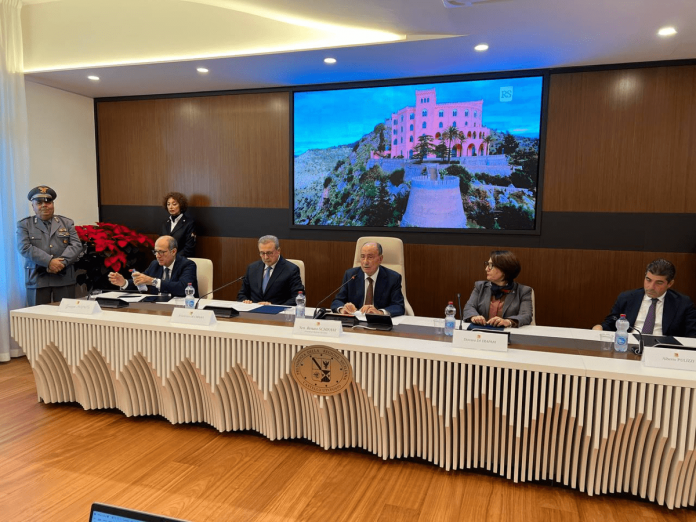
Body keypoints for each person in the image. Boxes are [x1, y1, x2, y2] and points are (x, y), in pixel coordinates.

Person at [593, 259, 696, 337]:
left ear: (670, 284)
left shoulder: (683, 303)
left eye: (659, 283)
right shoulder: (626, 298)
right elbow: (611, 323)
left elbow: (692, 335)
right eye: (648, 280)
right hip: (628, 345)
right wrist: (599, 327)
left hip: (663, 349)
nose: (651, 287)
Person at [16, 186, 83, 306]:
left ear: (53, 204)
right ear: (33, 206)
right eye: (39, 203)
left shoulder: (66, 223)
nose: (44, 205)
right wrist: (49, 262)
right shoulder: (25, 224)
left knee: (66, 314)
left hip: (64, 276)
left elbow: (76, 245)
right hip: (37, 278)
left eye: (48, 202)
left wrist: (61, 263)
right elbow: (24, 247)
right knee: (37, 315)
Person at [107, 236, 198, 297]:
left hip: (181, 308)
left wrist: (153, 281)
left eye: (161, 252)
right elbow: (141, 281)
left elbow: (183, 288)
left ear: (173, 251)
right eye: (155, 252)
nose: (157, 256)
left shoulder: (187, 265)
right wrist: (124, 283)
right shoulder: (155, 264)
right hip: (157, 307)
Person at [331, 241, 405, 317]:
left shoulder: (393, 278)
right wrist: (342, 309)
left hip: (378, 321)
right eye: (362, 257)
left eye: (370, 257)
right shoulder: (351, 275)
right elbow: (337, 301)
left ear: (380, 259)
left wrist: (380, 312)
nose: (365, 262)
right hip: (355, 320)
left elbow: (398, 306)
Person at [462, 250, 533, 328]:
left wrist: (508, 322)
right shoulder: (480, 287)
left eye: (491, 265)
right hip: (481, 332)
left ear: (505, 269)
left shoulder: (523, 291)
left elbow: (526, 315)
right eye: (487, 264)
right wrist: (474, 316)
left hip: (508, 332)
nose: (486, 269)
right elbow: (469, 307)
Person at [237, 235, 304, 306]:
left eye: (269, 253)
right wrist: (245, 301)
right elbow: (242, 294)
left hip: (278, 312)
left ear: (278, 251)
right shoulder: (252, 268)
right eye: (262, 253)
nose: (266, 257)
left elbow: (298, 297)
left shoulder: (291, 269)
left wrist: (274, 307)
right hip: (253, 310)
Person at [160, 192, 196, 258]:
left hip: (181, 260)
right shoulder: (165, 223)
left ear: (181, 205)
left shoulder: (189, 223)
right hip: (165, 259)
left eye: (174, 204)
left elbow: (189, 248)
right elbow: (160, 244)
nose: (171, 207)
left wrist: (173, 258)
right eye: (168, 204)